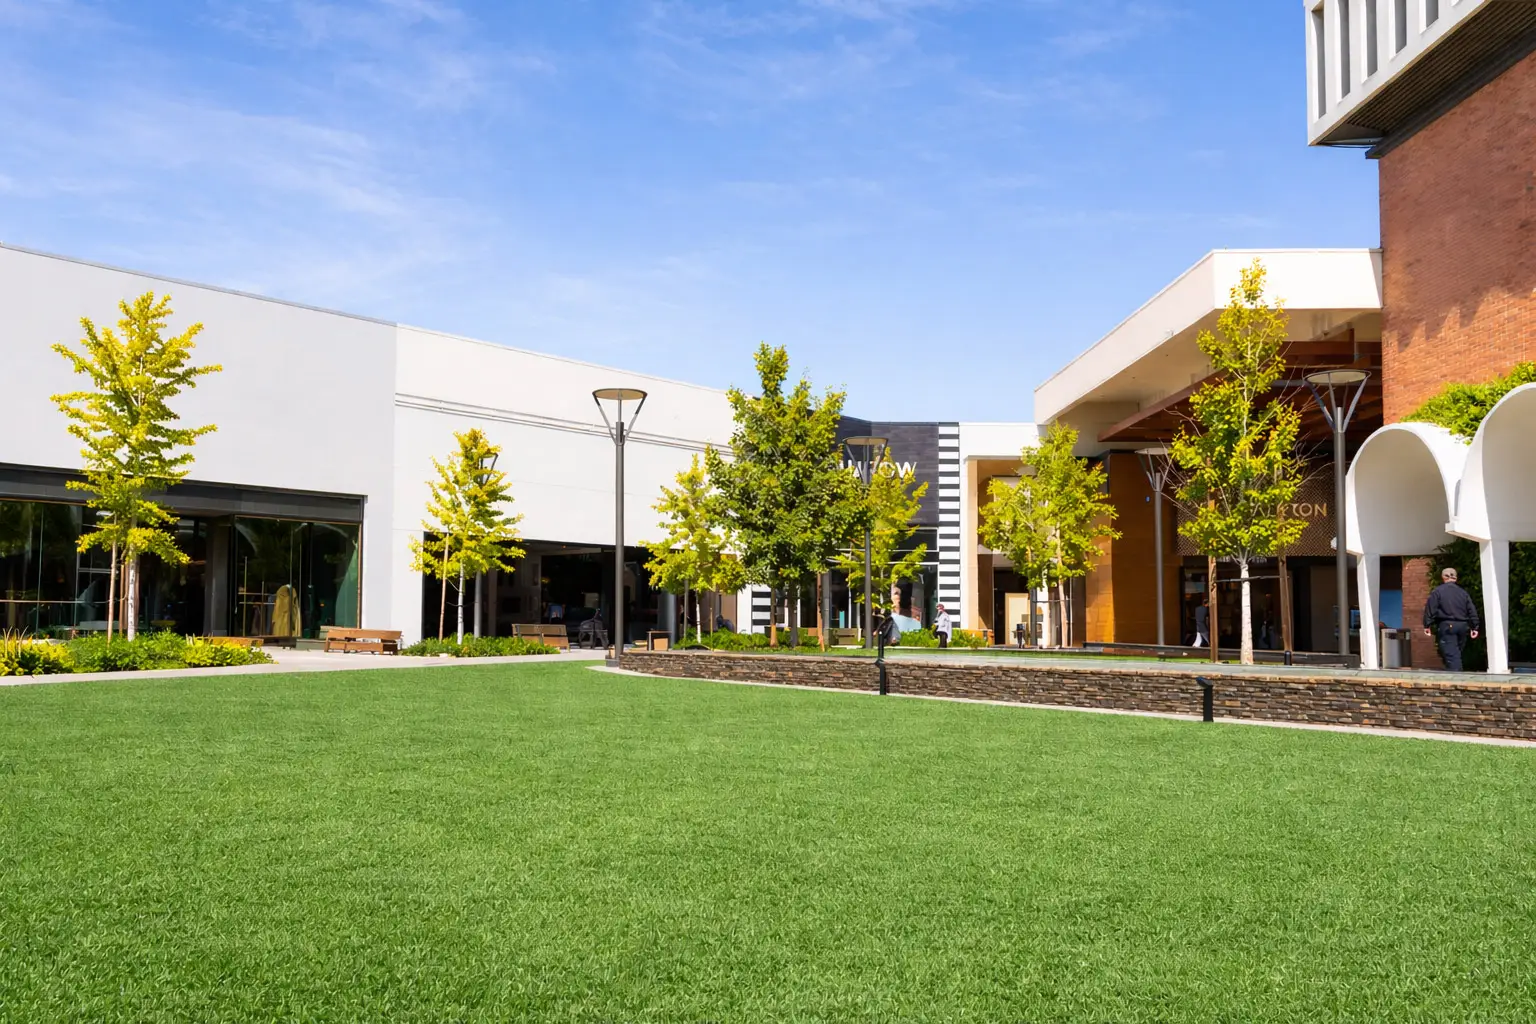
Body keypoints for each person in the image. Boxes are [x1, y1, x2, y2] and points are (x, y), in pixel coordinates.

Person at [1423, 567, 1480, 671]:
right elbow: (1471, 610)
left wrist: (1427, 624)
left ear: (1443, 577)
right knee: (1456, 653)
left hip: (1447, 626)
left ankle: (1457, 680)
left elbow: (1431, 609)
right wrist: (1474, 627)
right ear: (1456, 578)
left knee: (1452, 656)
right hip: (1462, 626)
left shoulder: (1438, 592)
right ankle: (1453, 674)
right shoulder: (1463, 593)